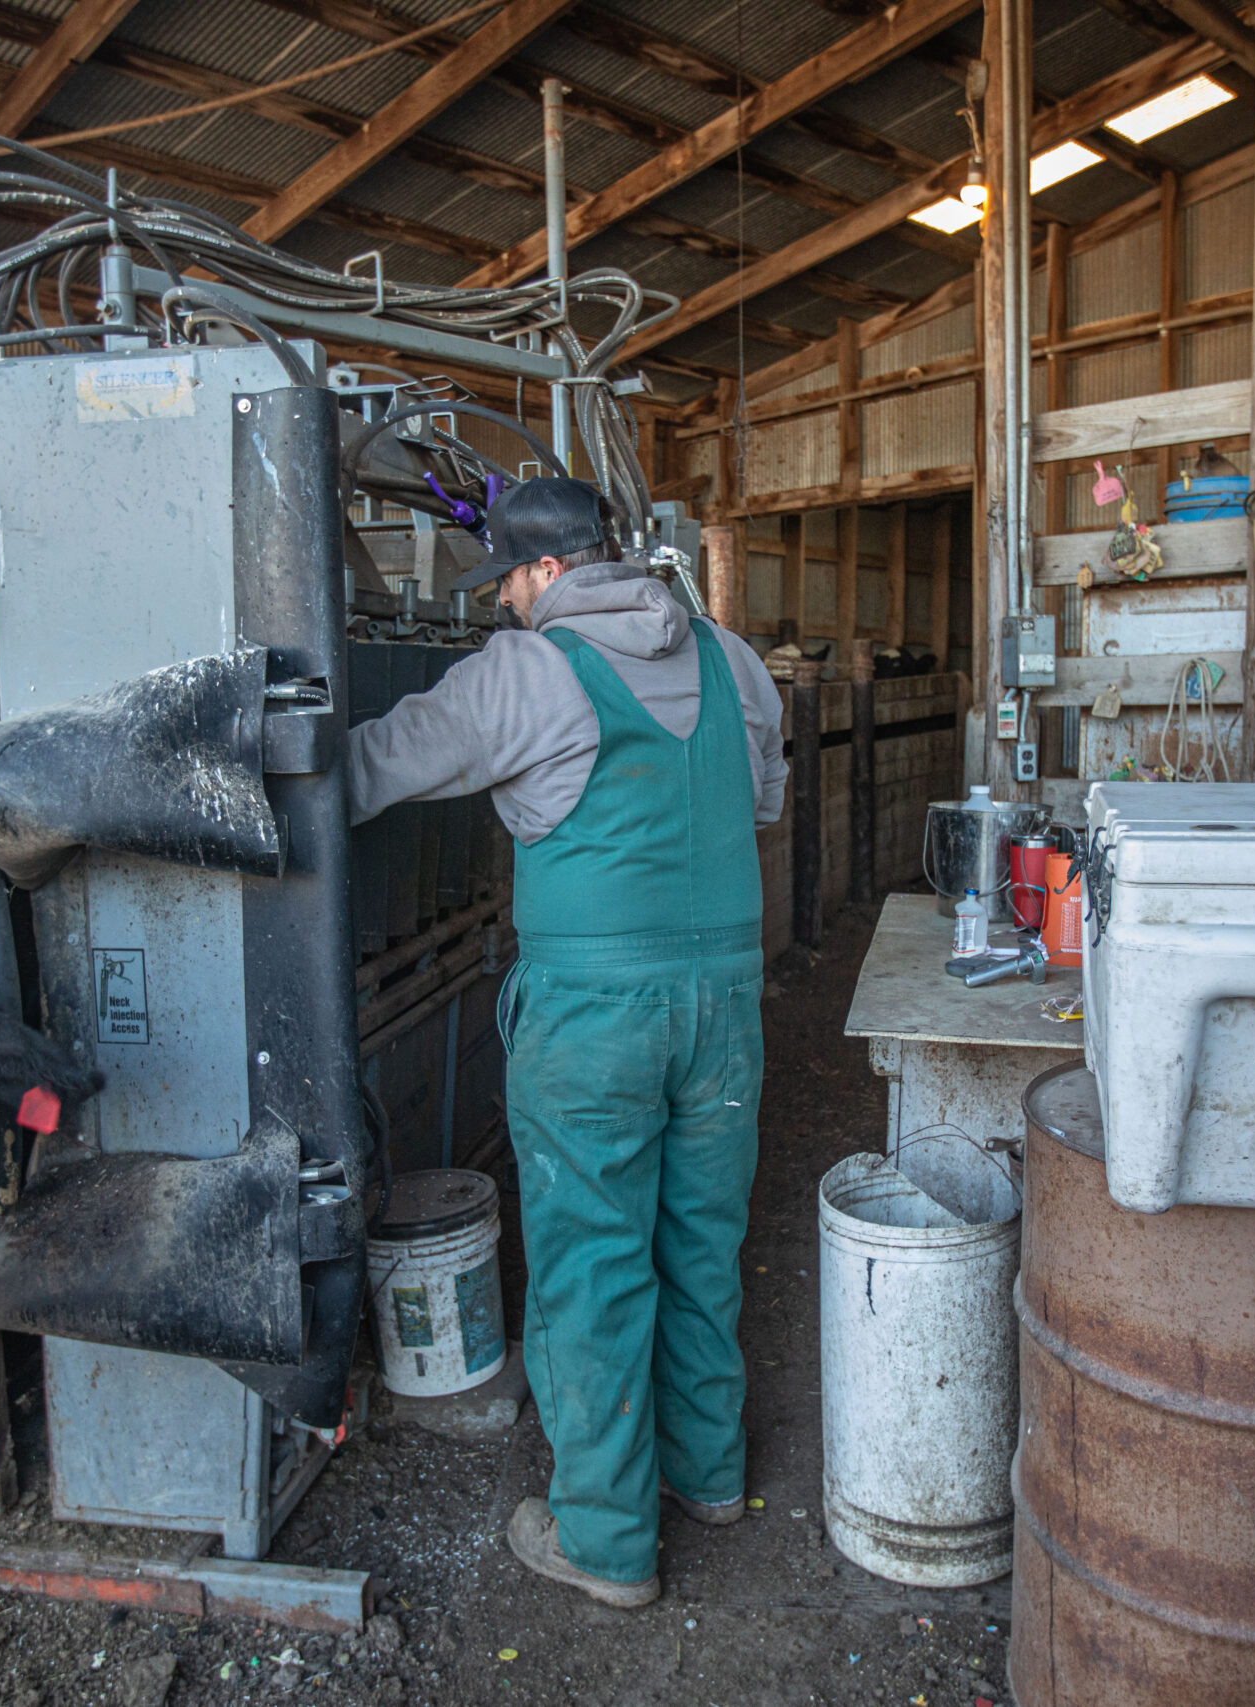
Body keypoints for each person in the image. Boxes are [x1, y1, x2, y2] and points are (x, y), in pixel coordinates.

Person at [347, 477, 787, 1608]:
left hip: (594, 1018)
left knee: (591, 1267)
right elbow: (759, 806)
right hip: (724, 1011)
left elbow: (364, 770)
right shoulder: (734, 660)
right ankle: (711, 1475)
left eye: (503, 579)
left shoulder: (528, 670)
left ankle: (603, 1538)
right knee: (700, 1245)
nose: (502, 600)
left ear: (543, 573)